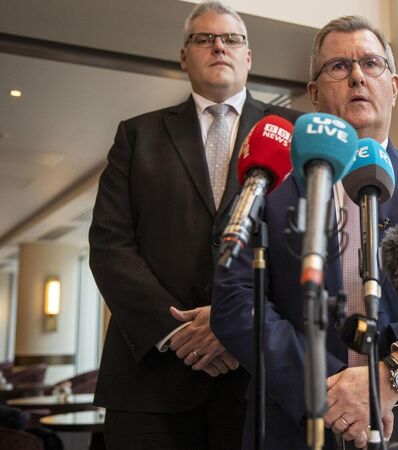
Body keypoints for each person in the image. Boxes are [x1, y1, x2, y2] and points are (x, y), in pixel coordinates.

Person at [211, 15, 398, 450]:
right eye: (339, 66)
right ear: (313, 93)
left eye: (371, 63)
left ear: (394, 86)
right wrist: (330, 393)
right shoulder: (270, 186)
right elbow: (235, 301)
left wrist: (390, 376)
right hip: (296, 424)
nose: (357, 76)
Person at [88, 2, 300, 448]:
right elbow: (109, 246)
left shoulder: (294, 133)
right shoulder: (136, 136)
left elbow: (308, 248)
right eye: (204, 38)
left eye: (231, 39)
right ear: (184, 56)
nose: (219, 46)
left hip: (259, 379)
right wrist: (177, 331)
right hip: (151, 383)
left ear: (248, 57)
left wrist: (233, 324)